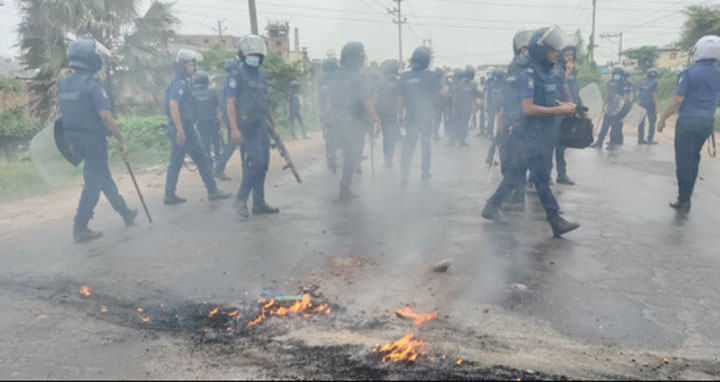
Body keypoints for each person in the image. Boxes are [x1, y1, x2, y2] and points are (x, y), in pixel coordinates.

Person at [481, 26, 580, 237]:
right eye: (553, 50)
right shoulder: (528, 75)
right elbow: (527, 107)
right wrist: (559, 109)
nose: (557, 54)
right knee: (541, 177)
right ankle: (555, 219)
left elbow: (544, 99)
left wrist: (563, 105)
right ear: (541, 50)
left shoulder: (546, 74)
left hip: (541, 134)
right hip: (527, 134)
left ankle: (491, 207)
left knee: (515, 174)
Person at [57, 39, 137, 243]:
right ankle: (80, 225)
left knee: (101, 176)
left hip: (75, 140)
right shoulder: (92, 85)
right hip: (94, 140)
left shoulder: (64, 82)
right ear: (90, 59)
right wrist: (121, 139)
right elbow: (105, 117)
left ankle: (125, 212)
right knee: (94, 181)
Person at [657, 35, 720, 212]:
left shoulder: (689, 73)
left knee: (684, 161)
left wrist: (663, 119)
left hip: (688, 122)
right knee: (694, 158)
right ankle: (687, 196)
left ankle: (683, 199)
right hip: (707, 123)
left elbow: (678, 100)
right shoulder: (718, 73)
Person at [163, 49, 231, 205]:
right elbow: (174, 105)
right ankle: (212, 191)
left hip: (183, 128)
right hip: (183, 129)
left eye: (193, 64)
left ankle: (169, 194)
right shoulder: (179, 84)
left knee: (179, 161)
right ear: (181, 67)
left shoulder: (184, 83)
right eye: (189, 65)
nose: (192, 67)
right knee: (201, 159)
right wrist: (180, 130)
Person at [226, 35, 281, 217]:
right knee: (255, 162)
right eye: (252, 54)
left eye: (258, 54)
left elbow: (266, 100)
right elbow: (230, 102)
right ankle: (241, 198)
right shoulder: (236, 74)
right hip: (246, 125)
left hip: (262, 124)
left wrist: (273, 123)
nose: (255, 57)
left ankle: (259, 203)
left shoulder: (262, 74)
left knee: (263, 164)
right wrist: (234, 129)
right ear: (243, 55)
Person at [486, 29, 533, 209]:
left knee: (519, 159)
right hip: (508, 118)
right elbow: (504, 99)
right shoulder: (511, 68)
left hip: (524, 120)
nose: (525, 51)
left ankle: (518, 196)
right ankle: (507, 192)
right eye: (523, 48)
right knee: (506, 157)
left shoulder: (534, 69)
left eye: (528, 47)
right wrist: (499, 120)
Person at [327, 42, 380, 200]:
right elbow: (367, 101)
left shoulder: (335, 75)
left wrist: (329, 113)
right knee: (351, 154)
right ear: (357, 59)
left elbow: (329, 96)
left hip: (337, 119)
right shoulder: (358, 78)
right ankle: (345, 189)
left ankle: (332, 159)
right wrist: (376, 118)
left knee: (343, 150)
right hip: (352, 121)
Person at [399, 46, 446, 184]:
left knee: (409, 145)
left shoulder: (404, 76)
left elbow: (400, 98)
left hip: (411, 117)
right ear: (426, 60)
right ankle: (425, 173)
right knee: (425, 145)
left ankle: (404, 174)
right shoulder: (431, 76)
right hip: (426, 117)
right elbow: (443, 92)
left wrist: (400, 114)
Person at [551, 45, 578, 185]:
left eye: (571, 55)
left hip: (567, 111)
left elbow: (573, 90)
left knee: (562, 145)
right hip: (556, 110)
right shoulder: (556, 70)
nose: (570, 57)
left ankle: (562, 174)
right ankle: (545, 175)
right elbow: (558, 87)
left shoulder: (574, 70)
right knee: (550, 145)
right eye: (567, 55)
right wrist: (566, 73)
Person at [214, 57, 242, 181]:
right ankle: (219, 169)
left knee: (235, 142)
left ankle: (219, 168)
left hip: (229, 115)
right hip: (234, 116)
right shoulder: (233, 78)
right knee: (233, 142)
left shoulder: (225, 81)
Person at [592, 66, 633, 150]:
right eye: (615, 74)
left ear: (621, 75)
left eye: (618, 74)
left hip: (619, 107)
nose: (616, 76)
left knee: (616, 126)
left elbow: (626, 96)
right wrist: (603, 106)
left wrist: (623, 108)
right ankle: (599, 142)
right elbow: (607, 95)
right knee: (605, 125)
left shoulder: (624, 83)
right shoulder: (610, 82)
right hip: (610, 106)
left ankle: (613, 142)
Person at [193, 70, 225, 167]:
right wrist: (221, 125)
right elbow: (218, 110)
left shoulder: (193, 94)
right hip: (213, 123)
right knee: (217, 147)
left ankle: (209, 168)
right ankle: (219, 169)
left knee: (205, 147)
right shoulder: (212, 93)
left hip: (201, 124)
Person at [376, 59, 401, 166]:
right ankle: (388, 158)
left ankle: (388, 157)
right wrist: (400, 113)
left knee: (388, 136)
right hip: (391, 113)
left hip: (381, 112)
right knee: (389, 137)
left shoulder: (379, 82)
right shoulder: (398, 82)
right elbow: (400, 99)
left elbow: (375, 97)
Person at [450, 65, 481, 146]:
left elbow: (455, 95)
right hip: (467, 108)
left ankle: (452, 141)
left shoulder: (459, 83)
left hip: (458, 107)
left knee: (456, 123)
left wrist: (453, 106)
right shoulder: (473, 84)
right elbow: (477, 94)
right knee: (464, 124)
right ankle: (462, 141)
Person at [319, 57, 340, 172]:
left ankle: (330, 155)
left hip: (329, 111)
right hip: (336, 111)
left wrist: (323, 110)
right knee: (333, 133)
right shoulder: (338, 76)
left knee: (329, 134)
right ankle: (332, 155)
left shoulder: (325, 78)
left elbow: (324, 96)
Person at [637, 68, 659, 145]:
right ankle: (650, 139)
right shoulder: (654, 83)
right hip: (650, 104)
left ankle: (640, 139)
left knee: (641, 122)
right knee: (652, 121)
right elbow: (654, 95)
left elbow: (638, 94)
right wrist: (656, 107)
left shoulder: (642, 83)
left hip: (642, 103)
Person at [432, 67, 447, 141]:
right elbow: (443, 92)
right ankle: (435, 135)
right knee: (437, 120)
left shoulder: (431, 80)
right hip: (439, 103)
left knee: (432, 119)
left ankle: (433, 134)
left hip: (431, 103)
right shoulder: (440, 82)